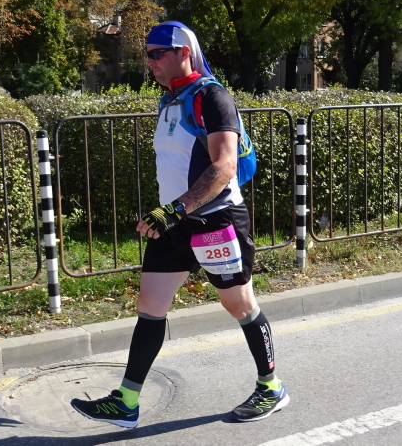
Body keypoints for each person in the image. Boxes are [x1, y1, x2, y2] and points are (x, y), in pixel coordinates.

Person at [70, 21, 289, 428]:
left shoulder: (213, 97)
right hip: (173, 222)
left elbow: (224, 166)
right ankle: (126, 401)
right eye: (147, 55)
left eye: (157, 53)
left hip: (215, 219)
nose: (149, 61)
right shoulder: (169, 99)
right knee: (149, 306)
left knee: (239, 305)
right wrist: (170, 213)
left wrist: (176, 209)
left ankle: (271, 387)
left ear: (183, 52)